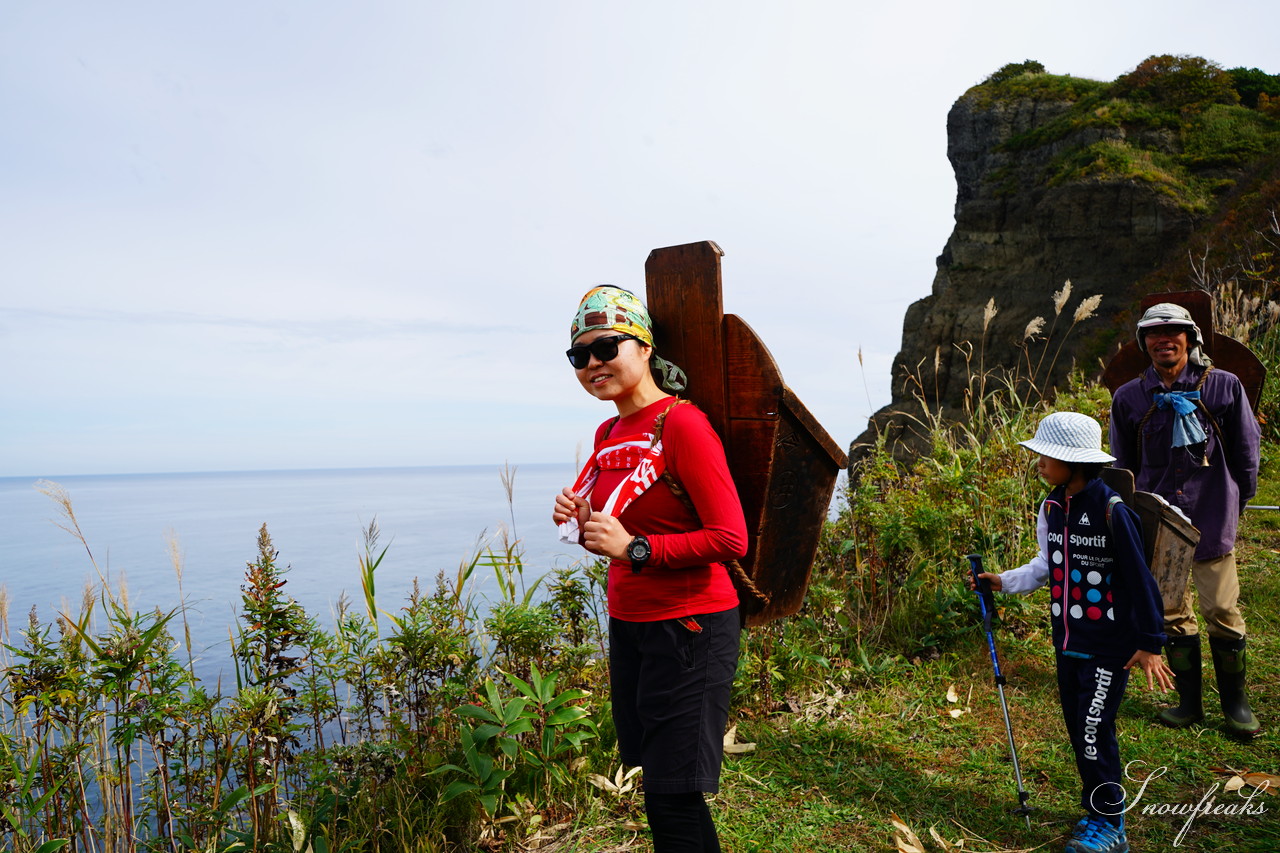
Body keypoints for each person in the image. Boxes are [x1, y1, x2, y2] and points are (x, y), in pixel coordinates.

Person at [552, 285, 746, 853]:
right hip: (632, 621)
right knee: (657, 781)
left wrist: (636, 549)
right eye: (578, 355)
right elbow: (631, 533)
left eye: (606, 347)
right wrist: (591, 523)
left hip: (691, 625)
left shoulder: (682, 425)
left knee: (673, 794)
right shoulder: (608, 433)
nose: (593, 364)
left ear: (643, 347)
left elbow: (729, 539)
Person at [972, 412, 1173, 853]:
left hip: (1109, 647)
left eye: (1049, 455)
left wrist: (1150, 643)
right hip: (1067, 643)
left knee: (1094, 731)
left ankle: (1109, 824)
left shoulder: (1112, 511)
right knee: (1079, 728)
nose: (1040, 462)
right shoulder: (1051, 507)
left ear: (1077, 462)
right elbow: (1047, 565)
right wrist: (1003, 581)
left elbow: (1141, 580)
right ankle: (1098, 811)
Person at [1109, 302, 1262, 737]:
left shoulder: (1224, 388)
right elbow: (1123, 465)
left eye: (1174, 331)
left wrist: (1237, 503)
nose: (1164, 340)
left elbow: (1247, 454)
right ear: (1144, 345)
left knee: (1222, 609)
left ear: (1190, 338)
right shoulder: (1130, 397)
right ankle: (1188, 702)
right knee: (1173, 614)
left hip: (1213, 513)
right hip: (1160, 523)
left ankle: (1235, 703)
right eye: (1154, 335)